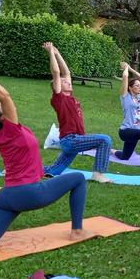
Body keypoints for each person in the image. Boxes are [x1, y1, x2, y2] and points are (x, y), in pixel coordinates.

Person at [0, 54, 91, 253]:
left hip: (7, 197)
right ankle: (77, 231)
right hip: (30, 194)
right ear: (1, 115)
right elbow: (3, 96)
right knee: (78, 179)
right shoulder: (11, 127)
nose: (1, 104)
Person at [42, 42, 112, 183]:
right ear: (57, 87)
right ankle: (98, 174)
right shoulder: (59, 98)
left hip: (74, 141)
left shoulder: (70, 97)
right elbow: (56, 72)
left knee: (53, 171)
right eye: (64, 82)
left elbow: (66, 72)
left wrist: (57, 53)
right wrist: (50, 53)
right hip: (71, 140)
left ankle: (21, 168)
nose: (68, 82)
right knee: (105, 140)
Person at [114, 62, 140, 167]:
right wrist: (126, 68)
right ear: (130, 88)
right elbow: (125, 76)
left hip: (135, 132)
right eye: (137, 86)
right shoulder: (125, 96)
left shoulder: (138, 98)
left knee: (125, 157)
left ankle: (112, 151)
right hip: (125, 131)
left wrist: (131, 69)